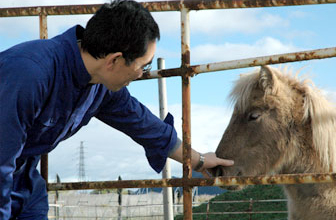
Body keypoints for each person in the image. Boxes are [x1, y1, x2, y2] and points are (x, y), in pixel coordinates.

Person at [0, 0, 234, 219]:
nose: (143, 74)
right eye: (144, 65)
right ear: (115, 60)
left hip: (24, 181)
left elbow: (146, 127)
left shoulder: (100, 84)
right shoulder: (30, 74)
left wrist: (200, 161)